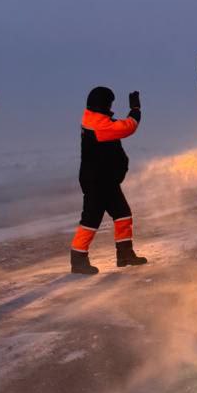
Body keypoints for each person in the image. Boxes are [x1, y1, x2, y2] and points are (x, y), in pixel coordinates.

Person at [70, 86, 148, 275]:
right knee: (90, 219)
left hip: (106, 180)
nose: (111, 105)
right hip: (97, 181)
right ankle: (78, 259)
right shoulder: (99, 126)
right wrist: (135, 110)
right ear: (102, 103)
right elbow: (127, 127)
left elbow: (114, 123)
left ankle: (125, 254)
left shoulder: (93, 118)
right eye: (109, 102)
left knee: (123, 214)